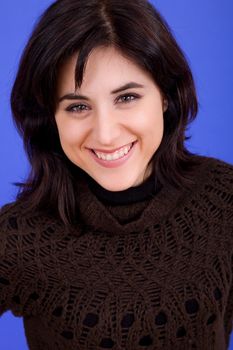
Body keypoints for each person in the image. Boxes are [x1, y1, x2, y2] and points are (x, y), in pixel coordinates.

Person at [0, 0, 232, 349]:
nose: (105, 134)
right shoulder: (19, 236)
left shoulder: (224, 200)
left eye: (126, 97)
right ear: (51, 117)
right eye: (78, 106)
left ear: (165, 97)